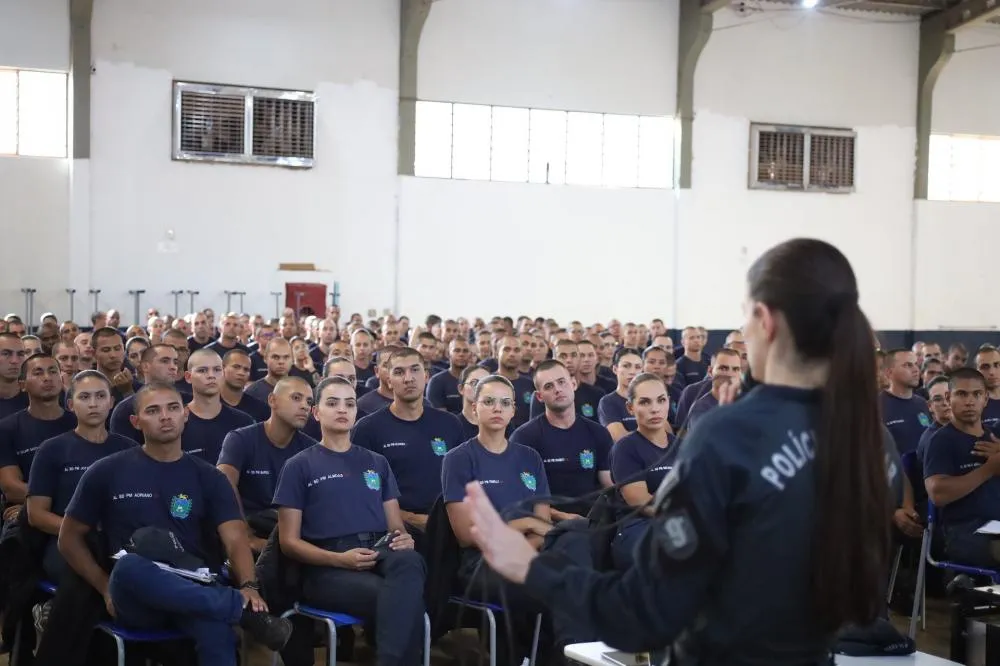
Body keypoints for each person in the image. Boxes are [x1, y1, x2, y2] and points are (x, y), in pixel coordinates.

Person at [459, 238, 891, 663]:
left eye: (743, 318)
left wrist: (531, 568)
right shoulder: (869, 438)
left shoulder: (727, 435)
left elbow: (646, 614)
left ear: (765, 320)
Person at [58, 382, 293, 665]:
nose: (165, 416)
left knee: (216, 631)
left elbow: (234, 538)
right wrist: (104, 585)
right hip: (137, 593)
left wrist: (248, 586)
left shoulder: (209, 476)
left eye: (173, 408)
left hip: (194, 584)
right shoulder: (107, 471)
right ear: (136, 421)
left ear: (185, 415)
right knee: (129, 566)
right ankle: (237, 609)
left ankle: (231, 607)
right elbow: (68, 538)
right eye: (154, 411)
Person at [274, 377, 427, 666]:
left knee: (412, 561)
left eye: (349, 403)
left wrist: (404, 537)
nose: (342, 409)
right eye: (332, 403)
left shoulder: (377, 462)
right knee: (401, 599)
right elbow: (289, 543)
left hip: (379, 549)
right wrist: (339, 560)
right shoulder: (299, 465)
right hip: (326, 565)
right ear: (316, 412)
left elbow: (395, 525)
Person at [442, 375, 590, 665]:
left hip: (529, 552)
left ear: (513, 412)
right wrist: (524, 525)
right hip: (481, 563)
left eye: (505, 403)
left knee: (578, 529)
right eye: (489, 401)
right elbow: (466, 534)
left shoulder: (529, 457)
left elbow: (543, 525)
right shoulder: (458, 458)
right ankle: (571, 655)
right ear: (474, 409)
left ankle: (569, 654)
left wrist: (525, 537)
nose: (497, 408)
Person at [27, 371, 135, 583]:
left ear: (111, 402)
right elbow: (36, 515)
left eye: (100, 396)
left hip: (120, 543)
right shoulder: (52, 449)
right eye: (84, 397)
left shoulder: (129, 448)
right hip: (67, 545)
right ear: (70, 405)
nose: (93, 404)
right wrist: (83, 531)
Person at [352, 348, 463, 545]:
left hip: (449, 526)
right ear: (388, 380)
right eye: (399, 372)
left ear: (426, 376)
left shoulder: (450, 424)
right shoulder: (368, 429)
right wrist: (410, 519)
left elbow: (463, 482)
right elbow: (364, 494)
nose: (408, 378)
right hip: (394, 531)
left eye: (414, 370)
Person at [218, 376, 317, 550]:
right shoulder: (240, 439)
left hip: (292, 533)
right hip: (246, 529)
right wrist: (246, 537)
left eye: (309, 401)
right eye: (296, 398)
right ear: (272, 400)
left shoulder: (311, 449)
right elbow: (223, 485)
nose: (304, 406)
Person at [511, 360, 613, 517]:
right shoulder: (524, 438)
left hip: (594, 522)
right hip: (546, 523)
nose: (557, 389)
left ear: (573, 384)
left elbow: (608, 486)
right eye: (549, 386)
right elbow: (522, 497)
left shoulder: (598, 432)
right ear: (539, 396)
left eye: (561, 382)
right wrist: (564, 517)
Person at [924, 368, 1000, 567]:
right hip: (963, 531)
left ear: (986, 399)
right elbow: (938, 494)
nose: (969, 401)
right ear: (949, 398)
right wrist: (988, 470)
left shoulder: (993, 438)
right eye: (962, 394)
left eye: (976, 394)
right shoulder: (941, 440)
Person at [607, 373, 680, 570]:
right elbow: (640, 502)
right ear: (630, 408)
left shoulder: (681, 446)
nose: (655, 409)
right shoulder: (625, 448)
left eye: (661, 400)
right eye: (645, 402)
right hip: (637, 527)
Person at [0, 355, 78, 529]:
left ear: (61, 379)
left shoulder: (79, 423)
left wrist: (39, 504)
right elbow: (11, 487)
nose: (47, 377)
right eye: (38, 372)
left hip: (72, 512)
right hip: (28, 518)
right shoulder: (7, 429)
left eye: (53, 371)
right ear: (22, 385)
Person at [182, 349, 255, 464]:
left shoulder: (244, 422)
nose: (211, 375)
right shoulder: (177, 422)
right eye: (202, 370)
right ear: (188, 377)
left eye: (217, 370)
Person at [597, 348, 643, 442]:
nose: (632, 372)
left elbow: (667, 434)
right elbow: (621, 439)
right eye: (626, 366)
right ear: (615, 369)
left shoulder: (650, 399)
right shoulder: (607, 402)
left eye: (637, 367)